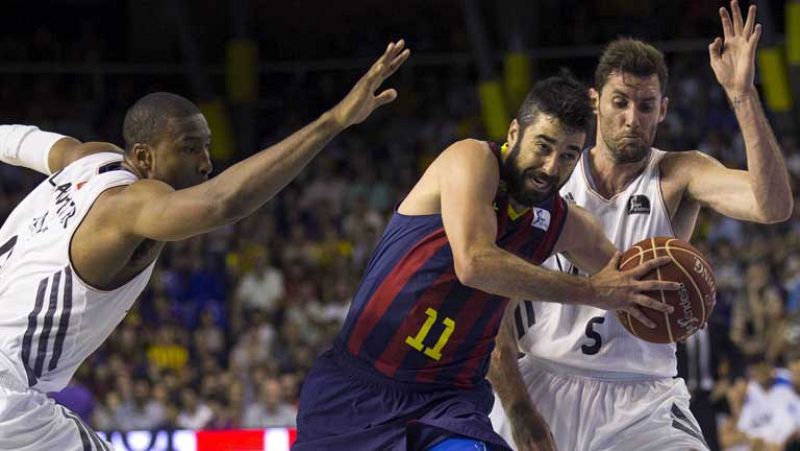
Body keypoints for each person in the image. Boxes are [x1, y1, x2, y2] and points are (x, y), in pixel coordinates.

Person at [0, 40, 410, 450]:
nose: (206, 162)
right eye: (189, 148)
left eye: (206, 145)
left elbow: (19, 142)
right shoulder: (125, 206)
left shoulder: (87, 161)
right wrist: (333, 121)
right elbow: (224, 202)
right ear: (144, 157)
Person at [294, 72, 680, 451]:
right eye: (543, 146)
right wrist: (593, 292)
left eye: (567, 155)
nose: (550, 168)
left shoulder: (563, 222)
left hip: (446, 403)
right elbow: (475, 263)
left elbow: (628, 278)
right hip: (358, 388)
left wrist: (675, 297)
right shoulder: (472, 160)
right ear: (514, 133)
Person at [488, 2, 793, 450]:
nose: (633, 118)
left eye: (646, 105)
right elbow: (491, 301)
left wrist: (743, 96)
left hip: (642, 397)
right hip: (542, 377)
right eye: (620, 102)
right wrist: (515, 403)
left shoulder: (679, 174)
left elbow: (774, 207)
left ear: (663, 110)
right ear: (595, 103)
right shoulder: (549, 173)